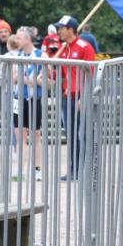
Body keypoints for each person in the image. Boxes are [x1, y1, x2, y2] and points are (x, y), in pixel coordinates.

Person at [53, 15, 97, 180]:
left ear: (70, 29)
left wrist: (84, 96)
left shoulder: (84, 46)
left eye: (62, 28)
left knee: (82, 134)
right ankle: (74, 169)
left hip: (80, 96)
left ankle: (83, 170)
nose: (59, 31)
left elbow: (90, 73)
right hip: (67, 96)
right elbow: (62, 73)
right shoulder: (63, 48)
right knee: (71, 134)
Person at [12, 27, 45, 180]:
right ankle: (20, 170)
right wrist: (29, 80)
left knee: (36, 134)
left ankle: (38, 170)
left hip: (34, 99)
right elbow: (13, 78)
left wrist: (28, 80)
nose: (16, 41)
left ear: (27, 39)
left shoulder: (40, 54)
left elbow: (42, 79)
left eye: (19, 38)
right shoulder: (16, 55)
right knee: (20, 135)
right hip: (18, 99)